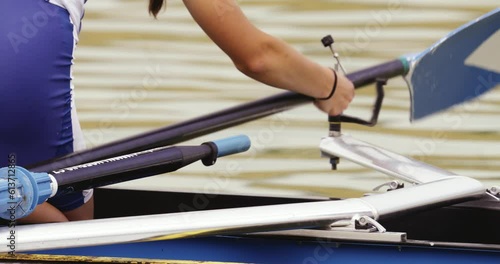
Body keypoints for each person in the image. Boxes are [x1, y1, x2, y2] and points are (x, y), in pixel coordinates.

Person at [0, 0, 354, 223]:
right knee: (70, 231)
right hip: (20, 72)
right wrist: (330, 86)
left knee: (25, 200)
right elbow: (258, 57)